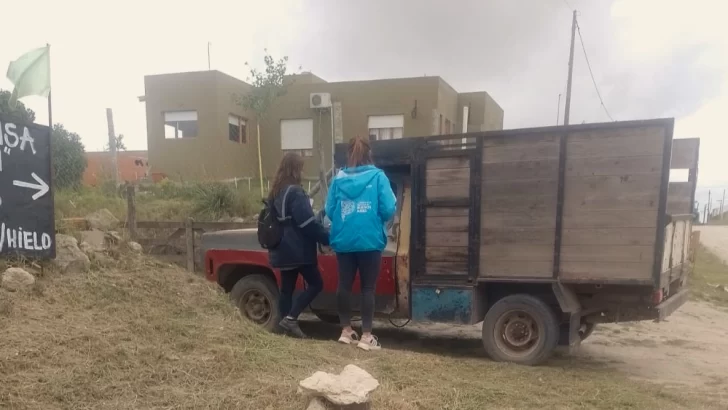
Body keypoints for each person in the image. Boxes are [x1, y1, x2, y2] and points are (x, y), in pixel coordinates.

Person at [325, 136, 396, 351]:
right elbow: (389, 208)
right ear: (369, 154)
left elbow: (329, 210)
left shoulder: (338, 179)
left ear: (349, 154)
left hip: (344, 240)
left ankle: (346, 331)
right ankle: (366, 336)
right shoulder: (378, 177)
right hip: (370, 240)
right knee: (368, 287)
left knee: (344, 285)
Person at [268, 152, 329, 338]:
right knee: (316, 283)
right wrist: (327, 238)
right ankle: (291, 318)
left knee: (286, 289)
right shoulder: (296, 192)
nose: (302, 171)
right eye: (301, 168)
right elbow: (307, 223)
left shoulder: (275, 192)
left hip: (280, 247)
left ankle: (283, 329)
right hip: (298, 249)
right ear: (295, 169)